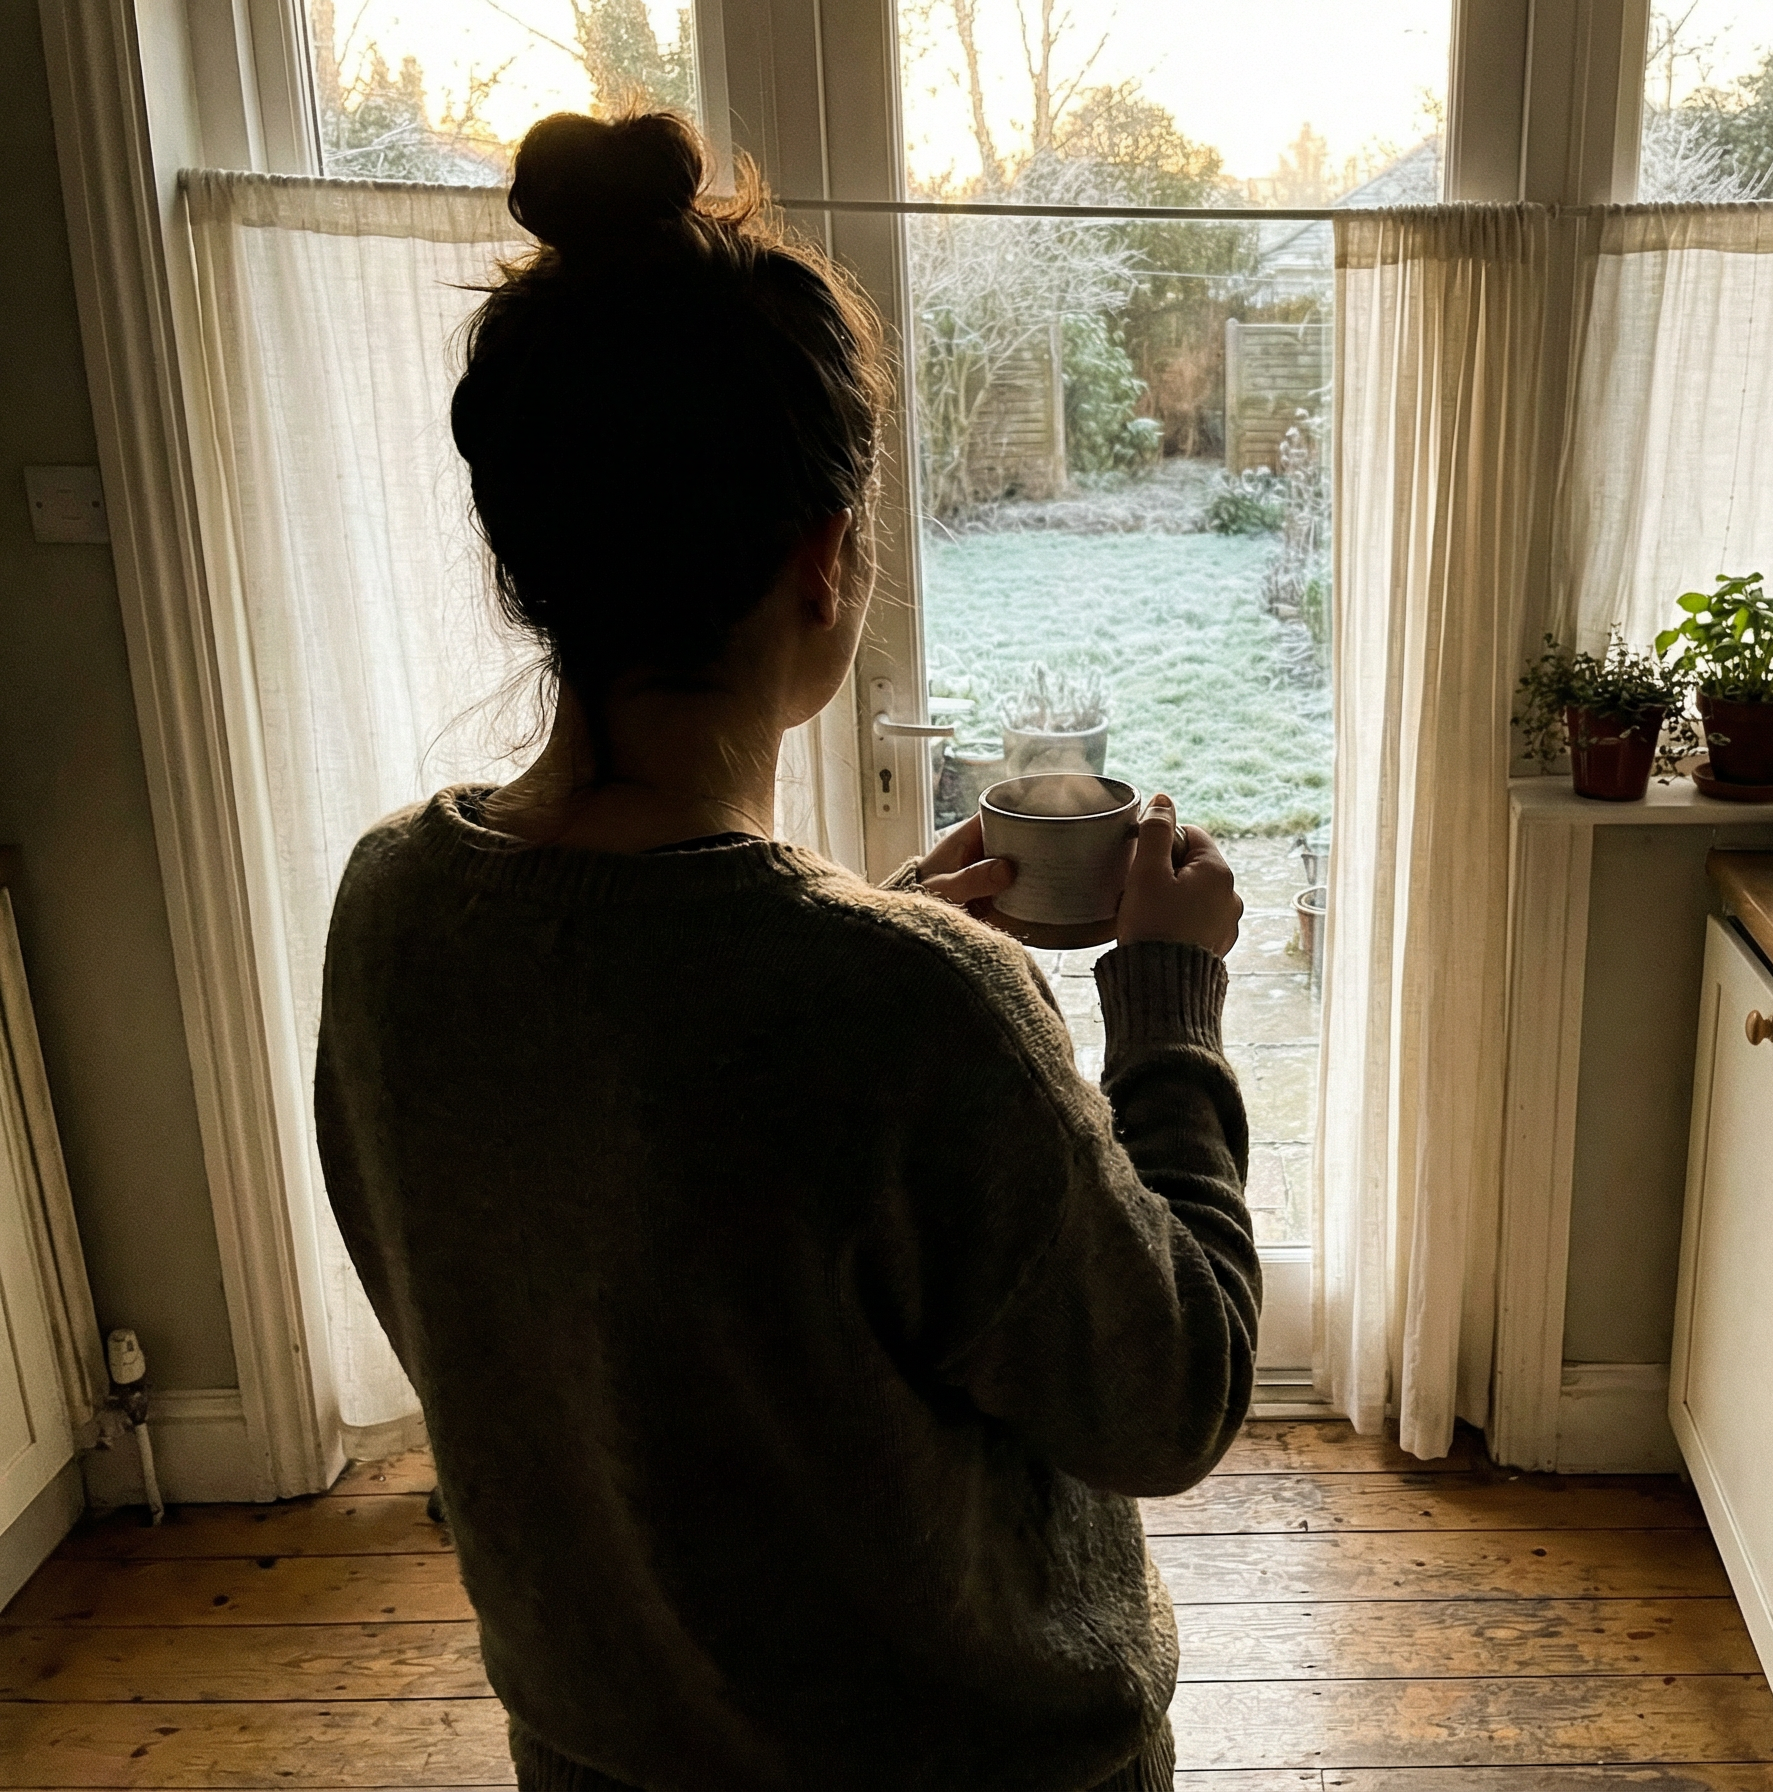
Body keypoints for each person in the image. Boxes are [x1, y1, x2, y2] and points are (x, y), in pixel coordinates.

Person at [313, 110, 1256, 1792]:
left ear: (529, 556)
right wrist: (1170, 1004)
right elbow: (1172, 1397)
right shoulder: (909, 1010)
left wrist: (876, 943)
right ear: (823, 558)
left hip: (599, 1751)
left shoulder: (392, 907)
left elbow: (583, 1284)